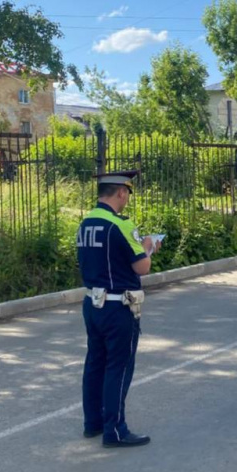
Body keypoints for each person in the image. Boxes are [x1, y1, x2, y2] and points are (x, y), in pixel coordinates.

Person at [77, 170, 157, 448]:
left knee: (95, 363)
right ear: (121, 192)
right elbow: (141, 267)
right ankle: (116, 430)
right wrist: (147, 246)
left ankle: (93, 423)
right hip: (118, 306)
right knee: (118, 367)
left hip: (92, 303)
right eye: (127, 194)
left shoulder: (86, 222)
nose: (127, 200)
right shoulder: (120, 224)